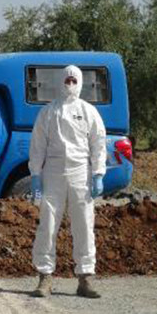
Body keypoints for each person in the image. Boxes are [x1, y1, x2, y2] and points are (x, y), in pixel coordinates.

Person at [29, 65, 107, 299]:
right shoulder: (48, 112)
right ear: (60, 82)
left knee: (84, 224)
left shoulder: (88, 111)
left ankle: (85, 277)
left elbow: (98, 143)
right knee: (48, 223)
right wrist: (35, 175)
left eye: (74, 80)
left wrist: (98, 174)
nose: (70, 84)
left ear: (80, 82)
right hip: (53, 171)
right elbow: (38, 145)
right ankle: (45, 277)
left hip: (81, 171)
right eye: (67, 80)